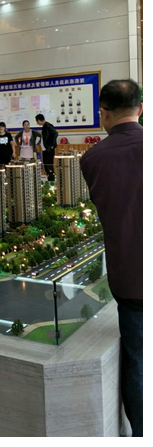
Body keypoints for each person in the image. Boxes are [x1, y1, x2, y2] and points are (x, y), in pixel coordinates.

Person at [79, 79, 142, 437]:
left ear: (102, 113)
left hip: (131, 280)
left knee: (138, 361)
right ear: (141, 108)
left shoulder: (93, 159)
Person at [36, 114, 58, 181]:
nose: (37, 123)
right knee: (46, 164)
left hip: (48, 149)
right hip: (45, 149)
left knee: (49, 164)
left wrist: (52, 144)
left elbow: (55, 133)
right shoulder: (44, 126)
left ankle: (51, 178)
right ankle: (49, 178)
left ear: (39, 120)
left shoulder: (48, 126)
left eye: (37, 121)